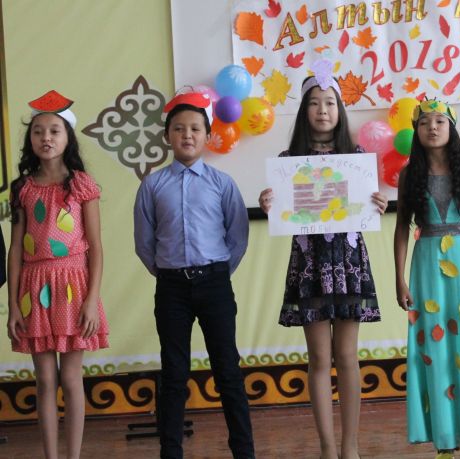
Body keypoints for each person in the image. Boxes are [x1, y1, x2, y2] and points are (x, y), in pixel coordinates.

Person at [258, 59, 388, 459]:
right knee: (318, 357)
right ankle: (327, 447)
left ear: (340, 110)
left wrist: (377, 202)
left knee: (347, 355)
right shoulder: (288, 159)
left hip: (348, 263)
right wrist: (270, 203)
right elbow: (285, 209)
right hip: (310, 264)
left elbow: (364, 205)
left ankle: (351, 446)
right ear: (304, 111)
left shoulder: (356, 156)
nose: (322, 110)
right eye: (314, 103)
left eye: (330, 103)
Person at [134, 90, 255, 459]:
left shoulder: (222, 183)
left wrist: (215, 273)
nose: (187, 135)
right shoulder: (152, 185)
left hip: (215, 283)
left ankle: (244, 452)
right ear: (167, 135)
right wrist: (169, 273)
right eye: (179, 128)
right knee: (174, 372)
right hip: (171, 287)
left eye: (195, 129)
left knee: (227, 371)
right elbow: (144, 242)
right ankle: (170, 452)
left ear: (207, 136)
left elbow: (237, 237)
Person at [394, 98, 460, 459]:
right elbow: (401, 227)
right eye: (425, 122)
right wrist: (399, 278)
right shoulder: (409, 175)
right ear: (416, 131)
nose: (433, 127)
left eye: (440, 121)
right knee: (434, 350)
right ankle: (444, 443)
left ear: (451, 128)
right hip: (426, 266)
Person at [7, 90, 109, 459]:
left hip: (73, 287)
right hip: (34, 288)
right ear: (30, 140)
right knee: (45, 379)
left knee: (70, 377)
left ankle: (73, 456)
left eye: (54, 131)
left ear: (68, 138)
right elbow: (15, 250)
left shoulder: (81, 185)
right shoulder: (23, 188)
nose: (46, 138)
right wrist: (13, 307)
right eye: (38, 131)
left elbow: (95, 247)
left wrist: (92, 301)